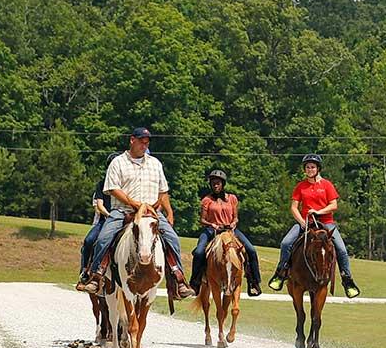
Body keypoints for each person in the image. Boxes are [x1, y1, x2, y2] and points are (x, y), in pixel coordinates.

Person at [76, 127, 195, 299]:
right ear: (132, 140)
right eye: (141, 142)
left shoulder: (155, 163)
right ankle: (96, 276)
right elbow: (113, 188)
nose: (144, 146)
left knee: (173, 238)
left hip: (151, 212)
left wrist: (168, 211)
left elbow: (163, 191)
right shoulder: (118, 162)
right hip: (123, 211)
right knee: (103, 238)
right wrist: (133, 203)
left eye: (146, 143)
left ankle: (179, 280)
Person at [267, 154, 360, 298]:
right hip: (306, 222)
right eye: (307, 167)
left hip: (326, 222)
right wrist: (302, 222)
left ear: (318, 169)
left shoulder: (327, 185)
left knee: (341, 249)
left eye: (312, 167)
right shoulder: (300, 186)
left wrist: (318, 211)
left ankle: (347, 280)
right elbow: (294, 207)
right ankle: (280, 274)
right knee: (285, 243)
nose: (310, 169)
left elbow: (334, 205)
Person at [189, 169, 263, 297]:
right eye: (213, 183)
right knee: (199, 252)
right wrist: (212, 224)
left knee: (251, 250)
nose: (215, 185)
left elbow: (236, 217)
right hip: (212, 230)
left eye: (218, 183)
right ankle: (195, 283)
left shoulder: (232, 198)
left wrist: (234, 223)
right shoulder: (207, 200)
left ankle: (254, 282)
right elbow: (202, 220)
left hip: (230, 230)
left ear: (223, 184)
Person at [77, 151, 120, 285]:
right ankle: (85, 270)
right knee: (89, 241)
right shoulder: (102, 184)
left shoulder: (126, 184)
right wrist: (109, 215)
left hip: (124, 218)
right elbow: (100, 206)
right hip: (106, 220)